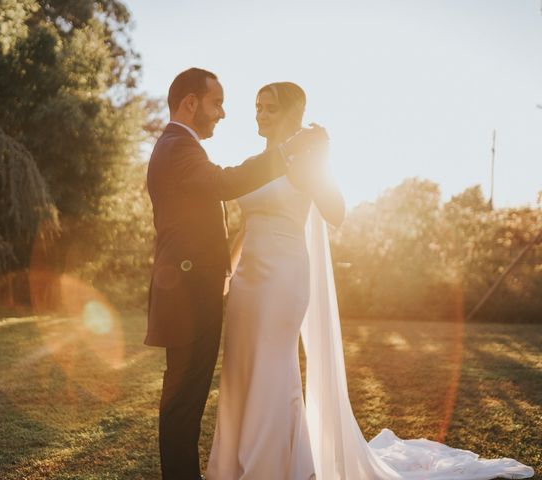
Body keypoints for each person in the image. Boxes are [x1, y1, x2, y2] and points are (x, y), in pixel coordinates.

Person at [205, 81, 535, 480]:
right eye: (257, 106)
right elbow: (245, 226)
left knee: (274, 367)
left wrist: (308, 168)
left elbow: (337, 211)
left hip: (283, 277)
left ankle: (273, 466)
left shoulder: (304, 161)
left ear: (292, 114)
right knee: (240, 367)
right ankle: (233, 463)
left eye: (269, 108)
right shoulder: (254, 163)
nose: (259, 114)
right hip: (247, 281)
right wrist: (228, 271)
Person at [145, 68, 329, 480]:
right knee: (184, 400)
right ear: (191, 103)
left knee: (197, 394)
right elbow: (225, 183)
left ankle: (264, 461)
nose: (224, 114)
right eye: (217, 103)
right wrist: (288, 151)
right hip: (189, 294)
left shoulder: (180, 146)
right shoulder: (178, 147)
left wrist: (227, 272)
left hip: (261, 279)